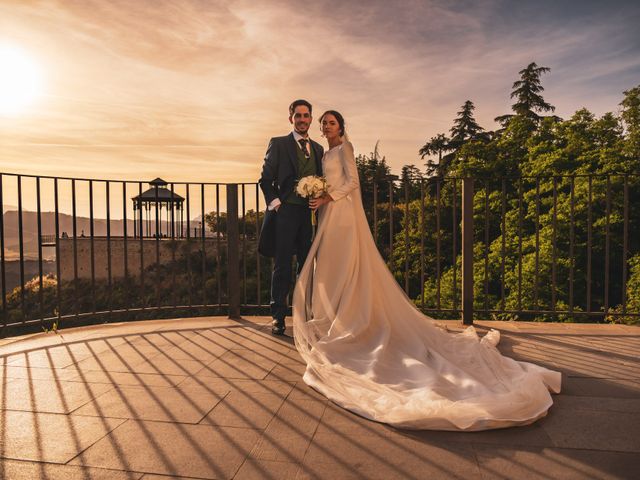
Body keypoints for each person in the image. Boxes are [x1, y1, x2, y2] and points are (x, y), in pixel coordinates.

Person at [292, 110, 561, 431]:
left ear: (341, 127)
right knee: (332, 270)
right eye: (324, 123)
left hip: (343, 216)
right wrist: (320, 196)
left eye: (331, 122)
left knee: (345, 266)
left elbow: (353, 182)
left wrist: (328, 197)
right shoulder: (326, 151)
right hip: (328, 215)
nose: (326, 126)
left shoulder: (345, 149)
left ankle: (349, 322)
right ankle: (332, 319)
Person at [258, 99, 324, 335]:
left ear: (310, 119)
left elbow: (321, 180)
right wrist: (277, 206)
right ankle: (278, 317)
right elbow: (265, 180)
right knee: (282, 266)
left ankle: (303, 314)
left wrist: (319, 197)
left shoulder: (318, 149)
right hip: (285, 214)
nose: (302, 120)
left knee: (306, 266)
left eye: (306, 116)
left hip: (308, 216)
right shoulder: (278, 144)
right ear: (291, 119)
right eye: (298, 116)